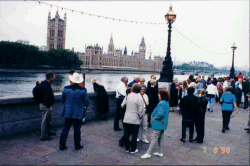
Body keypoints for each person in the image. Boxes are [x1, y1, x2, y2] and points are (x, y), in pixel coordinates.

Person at [59, 72, 90, 151]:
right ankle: (77, 145)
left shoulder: (66, 88)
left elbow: (62, 99)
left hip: (68, 111)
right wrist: (83, 107)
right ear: (79, 81)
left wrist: (67, 105)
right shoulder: (83, 90)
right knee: (77, 128)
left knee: (66, 127)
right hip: (78, 112)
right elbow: (87, 102)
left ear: (72, 80)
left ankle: (62, 145)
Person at [141, 89, 170, 159]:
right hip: (163, 123)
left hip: (158, 123)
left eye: (159, 94)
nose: (158, 95)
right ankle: (160, 152)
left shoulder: (161, 103)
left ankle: (148, 153)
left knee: (154, 138)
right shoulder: (166, 102)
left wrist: (154, 117)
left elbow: (160, 114)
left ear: (162, 95)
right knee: (161, 138)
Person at [123, 84, 144, 154]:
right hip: (135, 119)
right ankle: (133, 149)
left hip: (126, 118)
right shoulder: (140, 98)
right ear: (139, 90)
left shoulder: (128, 96)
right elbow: (140, 110)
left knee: (126, 134)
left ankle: (127, 147)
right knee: (134, 135)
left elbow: (122, 105)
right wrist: (141, 116)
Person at [40, 72, 56, 141]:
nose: (54, 77)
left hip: (46, 105)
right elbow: (46, 96)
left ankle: (48, 131)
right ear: (50, 77)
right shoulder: (46, 85)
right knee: (45, 121)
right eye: (54, 76)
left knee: (48, 119)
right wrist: (48, 104)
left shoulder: (44, 83)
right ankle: (43, 136)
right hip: (45, 105)